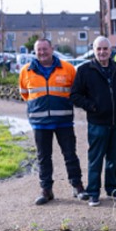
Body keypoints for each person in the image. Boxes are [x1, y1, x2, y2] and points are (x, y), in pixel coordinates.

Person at [19, 38, 85, 205]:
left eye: (45, 49)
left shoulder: (68, 68)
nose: (42, 52)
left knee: (70, 155)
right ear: (34, 51)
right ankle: (46, 190)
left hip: (64, 121)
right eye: (38, 50)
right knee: (43, 157)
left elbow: (76, 91)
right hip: (39, 122)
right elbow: (24, 94)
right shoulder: (26, 71)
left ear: (52, 49)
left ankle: (77, 185)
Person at [70, 37, 116, 206]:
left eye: (105, 48)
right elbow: (75, 95)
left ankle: (112, 188)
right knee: (96, 159)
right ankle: (93, 191)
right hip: (97, 123)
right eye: (99, 49)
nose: (102, 52)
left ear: (110, 50)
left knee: (113, 158)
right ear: (94, 50)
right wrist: (92, 106)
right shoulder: (85, 70)